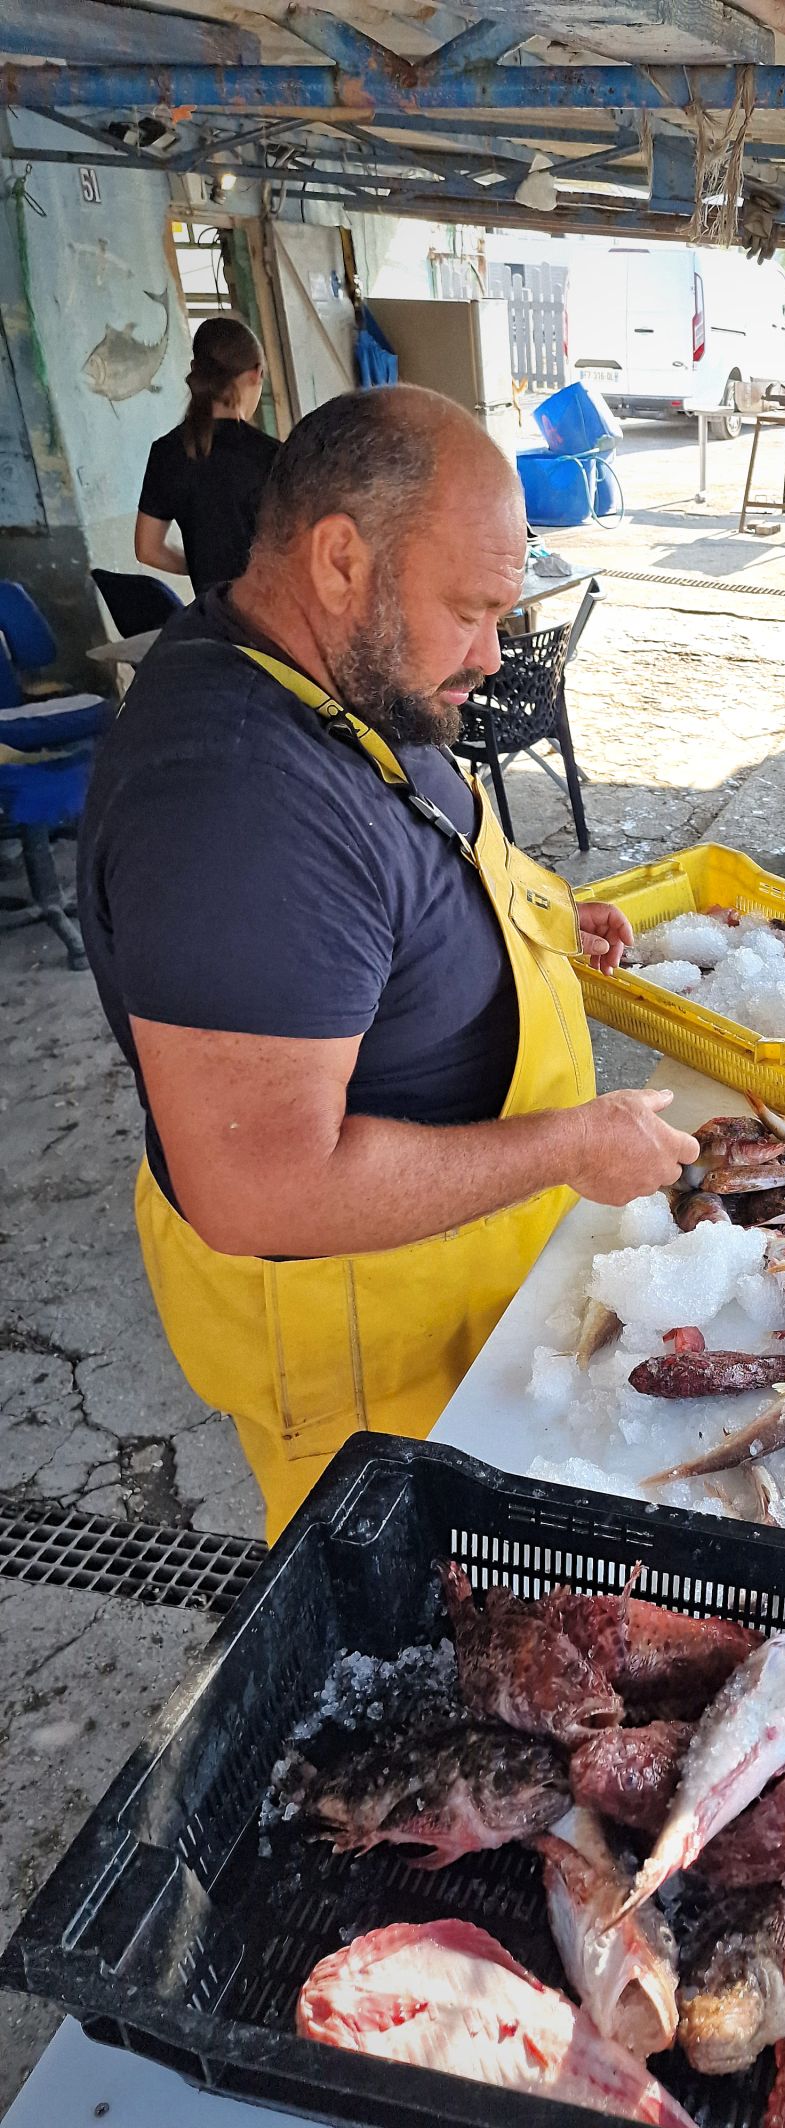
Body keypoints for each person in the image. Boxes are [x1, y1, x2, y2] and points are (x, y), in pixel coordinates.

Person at [80, 384, 698, 1539]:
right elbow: (261, 1185)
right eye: (467, 609)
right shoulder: (235, 806)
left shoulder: (323, 673)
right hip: (376, 1372)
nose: (490, 653)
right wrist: (571, 1143)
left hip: (467, 1301)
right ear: (337, 560)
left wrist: (539, 918)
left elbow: (404, 856)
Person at [135, 315, 278, 597]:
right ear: (256, 373)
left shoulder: (166, 453)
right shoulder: (274, 456)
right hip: (272, 618)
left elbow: (147, 550)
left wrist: (203, 566)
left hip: (212, 621)